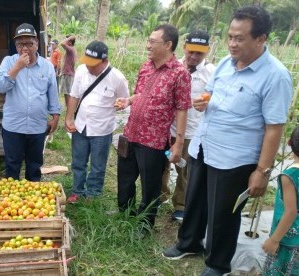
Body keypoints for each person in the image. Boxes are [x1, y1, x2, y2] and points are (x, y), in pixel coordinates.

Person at [162, 6, 293, 276]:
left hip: (235, 159)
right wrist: (202, 102)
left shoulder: (275, 76)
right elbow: (210, 94)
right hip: (204, 146)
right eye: (230, 37)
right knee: (194, 200)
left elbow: (274, 127)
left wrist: (261, 171)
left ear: (261, 39)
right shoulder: (224, 63)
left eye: (239, 38)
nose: (232, 43)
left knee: (224, 214)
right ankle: (189, 243)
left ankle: (217, 264)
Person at [115, 24, 192, 230]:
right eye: (148, 40)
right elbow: (140, 94)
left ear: (168, 45)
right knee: (125, 178)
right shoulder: (145, 66)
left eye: (152, 41)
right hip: (131, 133)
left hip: (153, 139)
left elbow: (182, 109)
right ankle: (126, 214)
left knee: (150, 186)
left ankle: (145, 224)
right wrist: (128, 101)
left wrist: (178, 144)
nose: (148, 45)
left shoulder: (179, 73)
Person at [65, 40, 129, 203]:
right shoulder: (81, 70)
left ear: (105, 61)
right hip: (80, 125)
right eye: (87, 63)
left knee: (97, 166)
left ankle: (93, 194)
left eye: (93, 65)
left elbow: (125, 101)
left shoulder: (117, 78)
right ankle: (77, 191)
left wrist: (121, 104)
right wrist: (69, 117)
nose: (89, 67)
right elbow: (74, 95)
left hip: (102, 130)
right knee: (78, 162)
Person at [161, 30, 215, 221]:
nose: (193, 56)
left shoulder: (211, 73)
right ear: (184, 47)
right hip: (166, 128)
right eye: (190, 51)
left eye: (199, 53)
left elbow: (218, 100)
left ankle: (181, 204)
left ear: (207, 51)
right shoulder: (172, 67)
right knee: (161, 165)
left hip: (192, 131)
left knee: (184, 169)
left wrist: (209, 103)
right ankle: (161, 196)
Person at [0, 23, 61, 181]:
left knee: (34, 166)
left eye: (29, 43)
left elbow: (53, 93)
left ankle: (33, 202)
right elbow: (0, 87)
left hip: (37, 126)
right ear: (15, 45)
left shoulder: (47, 66)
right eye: (20, 44)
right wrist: (17, 67)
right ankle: (12, 203)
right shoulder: (9, 62)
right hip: (13, 126)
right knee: (12, 166)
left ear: (37, 43)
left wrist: (55, 116)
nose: (24, 48)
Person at [262, 126, 299, 275]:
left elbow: (290, 212)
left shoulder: (289, 175)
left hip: (287, 238)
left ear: (289, 143)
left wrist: (274, 239)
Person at [59, 35, 76, 106]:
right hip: (67, 73)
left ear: (70, 42)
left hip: (68, 74)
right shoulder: (70, 50)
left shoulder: (71, 49)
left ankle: (69, 108)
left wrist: (70, 38)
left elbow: (62, 43)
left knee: (68, 93)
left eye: (67, 40)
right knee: (66, 92)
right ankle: (68, 107)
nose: (66, 41)